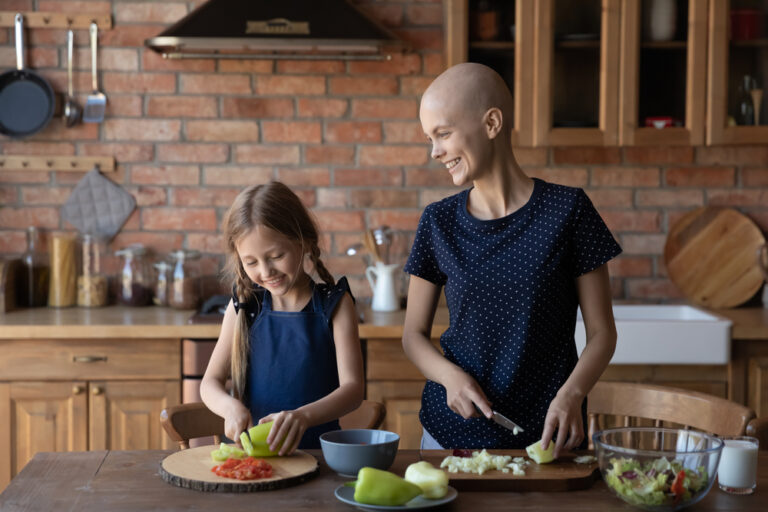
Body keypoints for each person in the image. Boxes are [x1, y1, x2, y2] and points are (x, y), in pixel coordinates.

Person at [402, 62, 621, 458]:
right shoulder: (438, 221)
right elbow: (412, 335)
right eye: (429, 138)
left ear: (491, 123)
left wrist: (572, 395)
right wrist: (449, 379)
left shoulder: (569, 211)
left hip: (549, 437)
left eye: (443, 134)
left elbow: (603, 333)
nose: (435, 152)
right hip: (450, 434)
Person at [201, 181, 364, 455]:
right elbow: (210, 383)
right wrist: (229, 407)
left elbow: (353, 389)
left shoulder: (335, 305)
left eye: (276, 256)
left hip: (317, 459)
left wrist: (303, 416)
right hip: (253, 460)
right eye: (251, 262)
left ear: (305, 242)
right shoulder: (244, 305)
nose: (266, 271)